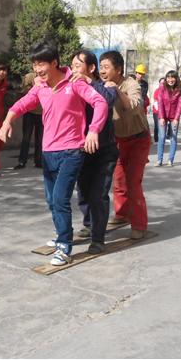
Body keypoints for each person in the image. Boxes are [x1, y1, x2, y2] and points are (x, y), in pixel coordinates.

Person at [0, 41, 108, 266]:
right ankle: (62, 231)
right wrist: (7, 121)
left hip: (72, 151)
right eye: (35, 65)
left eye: (42, 64)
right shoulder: (40, 86)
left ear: (55, 63)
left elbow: (100, 103)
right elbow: (23, 103)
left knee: (60, 199)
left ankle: (64, 246)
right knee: (51, 200)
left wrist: (93, 130)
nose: (37, 70)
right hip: (48, 152)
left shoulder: (74, 82)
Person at [70, 50, 119, 254]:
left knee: (98, 194)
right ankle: (89, 223)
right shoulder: (73, 85)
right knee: (83, 191)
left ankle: (98, 238)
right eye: (72, 66)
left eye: (78, 65)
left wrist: (89, 82)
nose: (74, 70)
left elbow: (106, 101)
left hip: (104, 150)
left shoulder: (107, 86)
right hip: (82, 149)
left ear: (91, 68)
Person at [101, 51, 150, 240]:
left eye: (107, 67)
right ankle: (122, 214)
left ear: (118, 69)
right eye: (101, 67)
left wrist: (117, 91)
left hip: (138, 139)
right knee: (119, 180)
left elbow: (135, 106)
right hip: (118, 140)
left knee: (133, 182)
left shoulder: (131, 84)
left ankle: (139, 224)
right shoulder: (101, 83)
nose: (103, 71)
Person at [14, 68, 43, 169]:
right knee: (26, 137)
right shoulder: (29, 77)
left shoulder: (48, 77)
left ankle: (38, 161)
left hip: (42, 113)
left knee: (40, 138)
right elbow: (23, 92)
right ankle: (22, 161)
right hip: (29, 112)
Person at [156, 70, 181, 166]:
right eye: (168, 77)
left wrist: (176, 118)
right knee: (162, 136)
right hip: (163, 115)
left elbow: (180, 104)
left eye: (173, 77)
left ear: (176, 78)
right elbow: (160, 102)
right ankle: (159, 160)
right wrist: (161, 117)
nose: (170, 80)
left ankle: (170, 160)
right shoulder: (162, 88)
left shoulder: (180, 89)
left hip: (174, 116)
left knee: (173, 137)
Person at [151, 77, 165, 143]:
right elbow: (156, 102)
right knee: (157, 125)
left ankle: (162, 138)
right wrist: (160, 111)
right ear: (159, 83)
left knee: (163, 126)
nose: (162, 84)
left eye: (164, 83)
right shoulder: (157, 91)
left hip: (164, 112)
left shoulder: (167, 91)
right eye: (161, 83)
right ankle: (156, 139)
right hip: (157, 112)